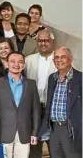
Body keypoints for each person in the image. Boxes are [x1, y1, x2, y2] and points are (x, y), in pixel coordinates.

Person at [0, 51, 41, 158]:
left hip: (24, 132)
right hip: (3, 132)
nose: (16, 64)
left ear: (24, 65)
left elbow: (36, 109)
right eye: (12, 61)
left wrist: (35, 132)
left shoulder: (31, 84)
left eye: (20, 62)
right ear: (6, 64)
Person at [39, 47, 82, 158]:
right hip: (54, 130)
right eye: (56, 57)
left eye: (63, 57)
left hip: (72, 129)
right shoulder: (52, 78)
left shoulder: (80, 78)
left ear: (70, 59)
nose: (59, 60)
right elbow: (49, 104)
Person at [25, 30, 57, 158]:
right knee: (34, 145)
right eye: (40, 41)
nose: (43, 43)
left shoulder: (59, 59)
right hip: (33, 109)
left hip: (53, 109)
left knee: (55, 145)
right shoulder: (28, 60)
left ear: (52, 42)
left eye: (46, 40)